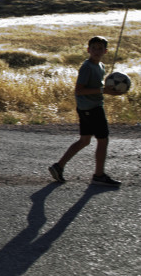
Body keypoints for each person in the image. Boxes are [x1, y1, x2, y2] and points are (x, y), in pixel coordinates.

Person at [48, 36, 122, 186]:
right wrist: (103, 90)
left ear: (105, 51)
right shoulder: (87, 67)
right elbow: (79, 90)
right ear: (88, 50)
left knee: (84, 140)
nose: (96, 51)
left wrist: (108, 88)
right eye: (93, 48)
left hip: (86, 109)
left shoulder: (100, 66)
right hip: (92, 109)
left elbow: (97, 87)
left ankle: (58, 166)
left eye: (100, 48)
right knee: (103, 141)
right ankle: (99, 175)